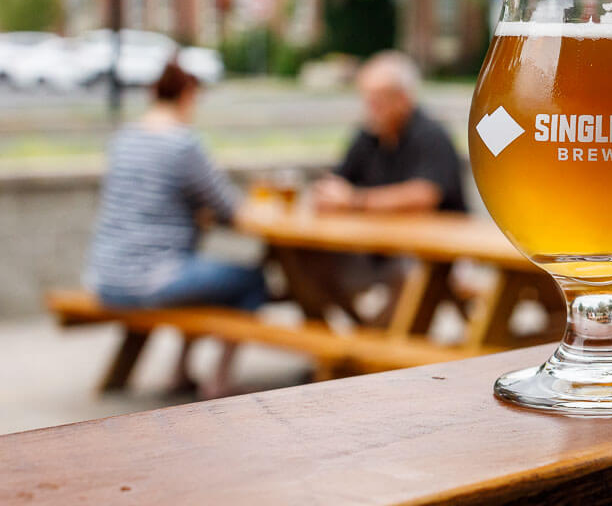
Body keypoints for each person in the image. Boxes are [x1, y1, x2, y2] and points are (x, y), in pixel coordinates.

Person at [84, 60, 266, 398]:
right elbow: (230, 208)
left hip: (105, 276)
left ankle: (180, 374)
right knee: (253, 281)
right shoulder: (182, 144)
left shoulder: (124, 138)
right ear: (187, 95)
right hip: (152, 280)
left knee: (201, 274)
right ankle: (220, 381)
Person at [302, 51, 466, 321]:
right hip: (379, 249)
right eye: (367, 99)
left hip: (437, 255)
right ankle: (357, 344)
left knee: (409, 274)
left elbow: (424, 196)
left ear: (403, 98)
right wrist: (326, 194)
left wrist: (354, 201)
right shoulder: (368, 135)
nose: (370, 107)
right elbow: (335, 183)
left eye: (378, 100)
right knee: (309, 261)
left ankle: (376, 349)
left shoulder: (431, 135)